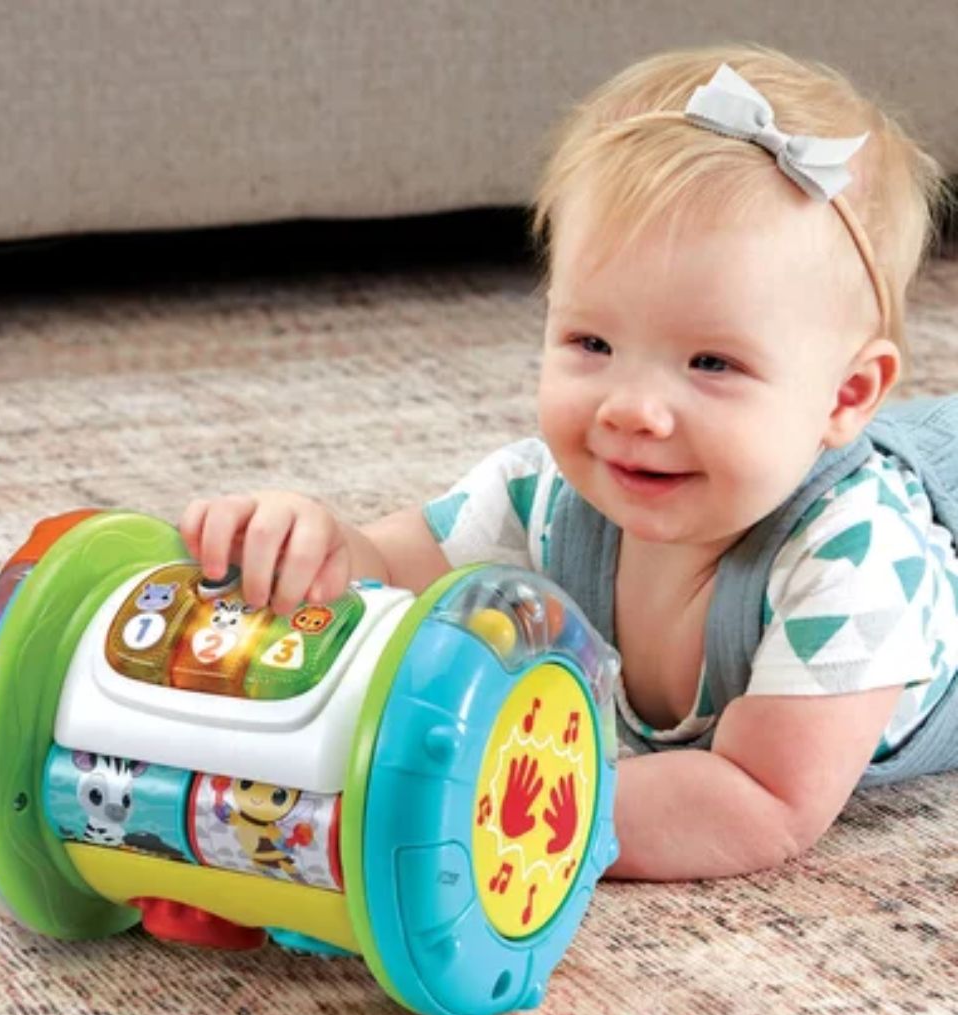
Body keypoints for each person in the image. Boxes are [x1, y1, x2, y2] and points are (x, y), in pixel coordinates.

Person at [180, 44, 958, 881]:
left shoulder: (855, 563)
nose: (630, 407)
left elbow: (760, 801)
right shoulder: (545, 495)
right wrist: (317, 542)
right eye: (593, 342)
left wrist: (487, 808)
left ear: (845, 396)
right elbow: (388, 582)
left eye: (711, 364)